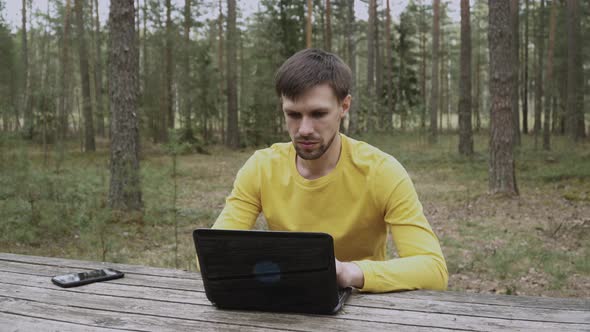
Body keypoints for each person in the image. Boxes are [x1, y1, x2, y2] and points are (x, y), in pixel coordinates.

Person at [212, 48, 448, 293]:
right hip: (285, 304)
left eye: (318, 114)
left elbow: (433, 270)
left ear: (344, 106)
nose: (304, 129)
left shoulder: (381, 172)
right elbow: (211, 254)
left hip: (366, 307)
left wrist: (349, 272)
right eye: (293, 114)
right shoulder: (261, 168)